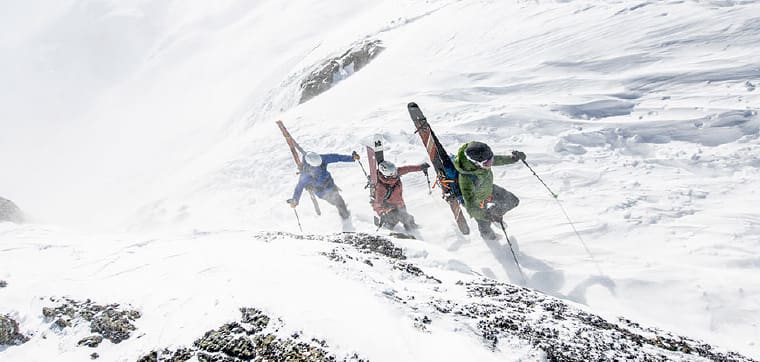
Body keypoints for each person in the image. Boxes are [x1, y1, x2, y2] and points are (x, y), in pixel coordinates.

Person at [452, 141, 526, 240]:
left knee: (513, 201)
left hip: (489, 189)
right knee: (486, 231)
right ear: (475, 163)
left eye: (490, 160)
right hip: (478, 202)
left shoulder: (482, 161)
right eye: (487, 163)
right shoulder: (466, 178)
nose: (490, 164)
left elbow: (496, 160)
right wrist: (487, 216)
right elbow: (470, 206)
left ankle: (495, 213)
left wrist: (513, 159)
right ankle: (492, 242)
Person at [287, 151, 360, 219]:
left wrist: (351, 158)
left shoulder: (321, 159)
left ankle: (345, 214)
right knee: (336, 201)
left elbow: (336, 157)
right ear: (310, 164)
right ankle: (346, 217)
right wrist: (295, 200)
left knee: (339, 200)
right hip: (321, 191)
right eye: (317, 165)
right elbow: (299, 188)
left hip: (330, 184)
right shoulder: (305, 175)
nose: (319, 165)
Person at [373, 160, 430, 231]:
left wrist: (420, 167)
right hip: (390, 208)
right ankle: (388, 232)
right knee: (393, 220)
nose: (396, 174)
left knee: (408, 220)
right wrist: (381, 212)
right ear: (386, 175)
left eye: (395, 172)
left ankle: (414, 232)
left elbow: (408, 169)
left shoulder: (395, 173)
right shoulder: (381, 187)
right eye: (393, 174)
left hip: (400, 204)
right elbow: (377, 203)